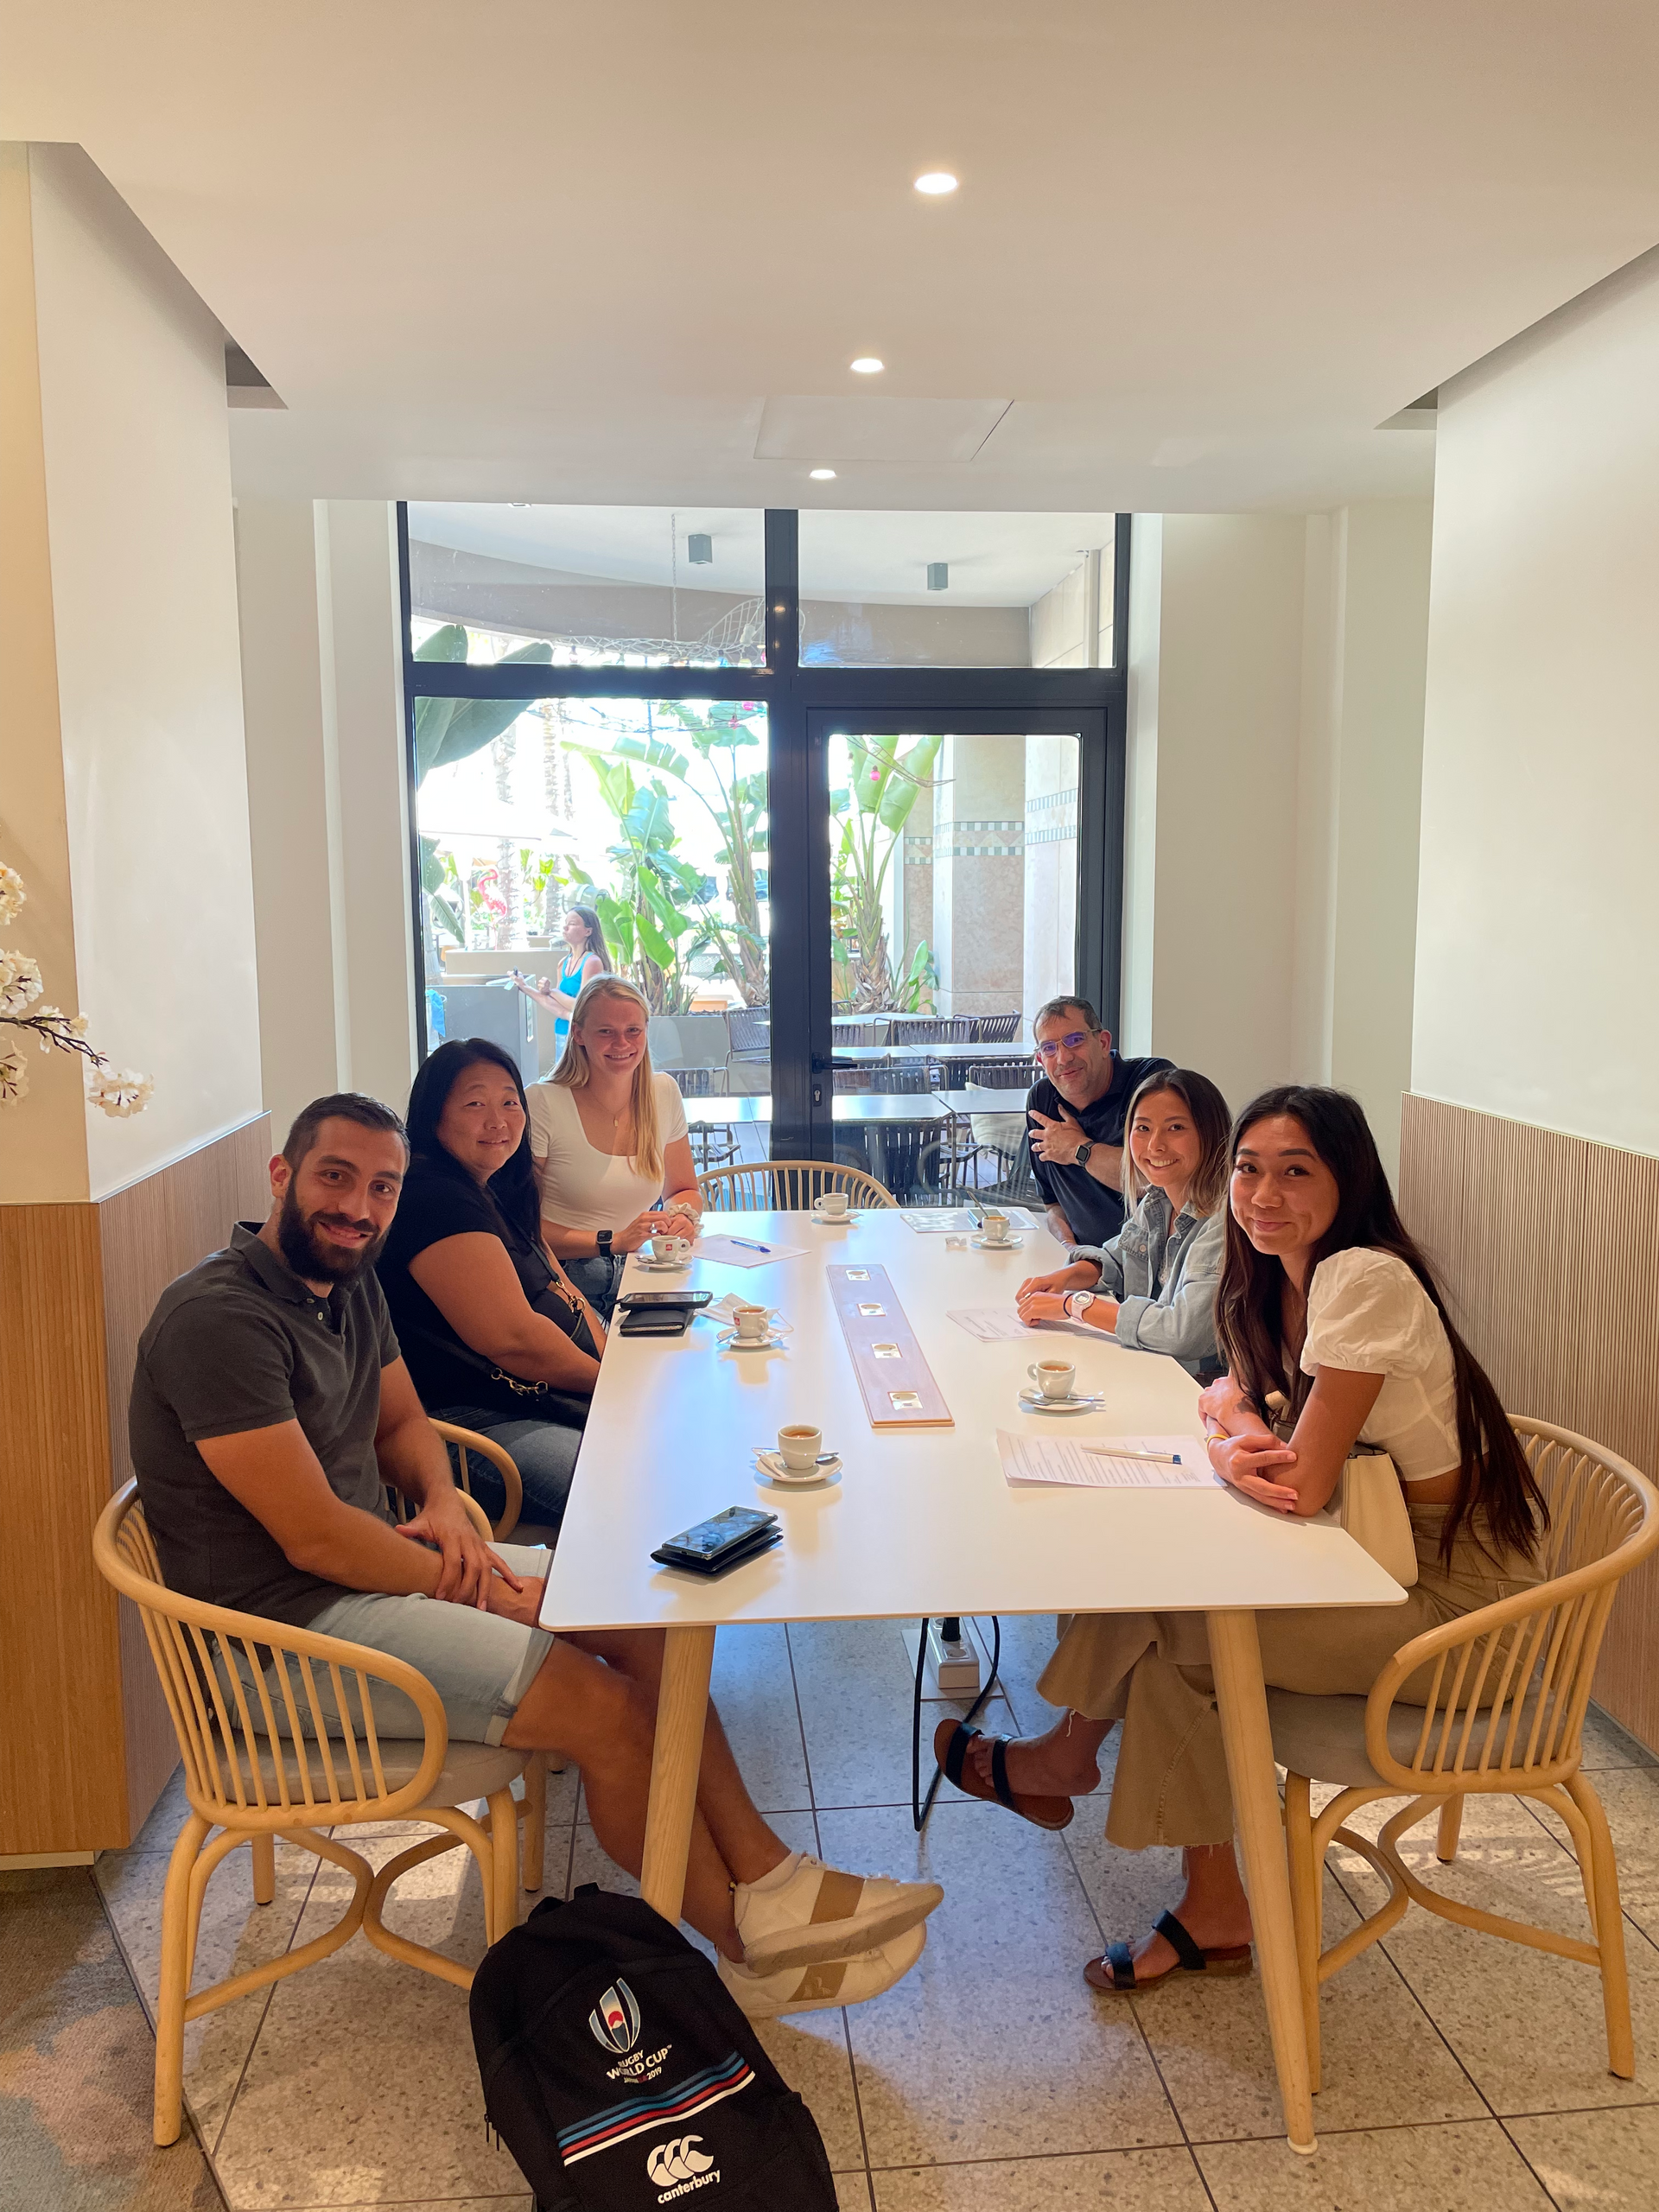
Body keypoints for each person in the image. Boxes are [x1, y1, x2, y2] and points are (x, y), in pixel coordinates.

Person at [130, 1092, 942, 2018]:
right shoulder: (219, 1321)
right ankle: (749, 1951)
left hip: (369, 1579)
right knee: (607, 1711)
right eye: (336, 1177)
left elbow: (401, 1422)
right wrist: (470, 1583)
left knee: (654, 1622)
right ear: (283, 1176)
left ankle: (769, 1878)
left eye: (382, 1187)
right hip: (277, 1642)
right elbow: (313, 1535)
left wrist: (442, 1500)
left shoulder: (346, 1280)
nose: (358, 1206)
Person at [938, 1086, 1548, 1995]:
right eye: (1251, 1171)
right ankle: (1161, 1855)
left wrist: (1231, 1448)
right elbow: (1233, 1394)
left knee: (1187, 1632)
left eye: (1295, 1171)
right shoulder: (1279, 1276)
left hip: (1464, 1616)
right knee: (1168, 1595)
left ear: (1350, 1179)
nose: (1263, 1195)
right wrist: (1237, 1423)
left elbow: (1298, 1482)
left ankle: (1090, 1789)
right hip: (1377, 1559)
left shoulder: (1363, 1279)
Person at [376, 1039, 604, 1536]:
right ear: (434, 1115)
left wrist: (613, 1362)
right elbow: (512, 1340)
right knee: (620, 1480)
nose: (498, 1121)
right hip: (469, 1425)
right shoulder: (434, 1197)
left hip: (534, 1397)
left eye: (509, 1102)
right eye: (475, 1103)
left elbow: (561, 1283)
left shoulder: (495, 1184)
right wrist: (613, 1385)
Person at [1012, 1067, 1230, 1381]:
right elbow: (1118, 1260)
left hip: (1201, 1387)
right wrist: (1064, 1277)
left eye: (1176, 1128)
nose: (1155, 1145)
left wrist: (1074, 1305)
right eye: (1143, 1128)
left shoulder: (1224, 1222)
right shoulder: (1158, 1200)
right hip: (1151, 1372)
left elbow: (1181, 1333)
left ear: (1211, 1134)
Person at [528, 976, 703, 1319]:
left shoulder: (663, 1092)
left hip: (643, 1270)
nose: (622, 1043)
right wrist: (613, 1240)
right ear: (578, 1034)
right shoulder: (543, 1101)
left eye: (633, 1030)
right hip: (564, 1280)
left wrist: (682, 1216)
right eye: (606, 1031)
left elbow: (683, 1190)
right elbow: (521, 1226)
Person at [1024, 996, 1172, 1248]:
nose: (1063, 1058)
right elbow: (1053, 1204)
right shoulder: (1042, 1099)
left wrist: (1078, 1149)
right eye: (1049, 1048)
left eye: (1075, 1040)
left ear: (1103, 1043)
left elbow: (1154, 1180)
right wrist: (1069, 1249)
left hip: (1152, 1259)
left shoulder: (1151, 1083)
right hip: (1083, 1260)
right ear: (1040, 1060)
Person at [513, 905, 610, 1046]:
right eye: (565, 923)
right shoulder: (563, 963)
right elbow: (556, 1006)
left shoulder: (592, 962)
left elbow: (582, 1006)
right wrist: (524, 986)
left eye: (572, 924)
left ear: (588, 931)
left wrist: (552, 992)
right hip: (562, 1032)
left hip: (582, 1036)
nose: (565, 927)